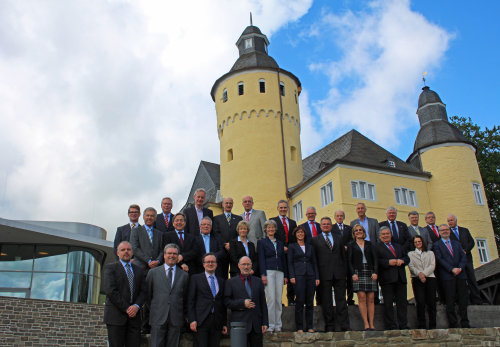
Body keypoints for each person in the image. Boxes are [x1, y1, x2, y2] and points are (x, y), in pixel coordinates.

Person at [103, 241, 146, 347]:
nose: (126, 252)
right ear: (118, 253)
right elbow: (111, 291)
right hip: (116, 317)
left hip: (134, 318)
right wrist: (127, 308)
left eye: (128, 249)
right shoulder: (111, 268)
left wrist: (136, 306)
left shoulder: (139, 270)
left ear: (132, 252)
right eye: (123, 250)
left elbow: (144, 291)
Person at [311, 217, 350, 332]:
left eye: (328, 224)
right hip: (324, 274)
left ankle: (344, 324)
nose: (326, 226)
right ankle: (330, 324)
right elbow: (315, 260)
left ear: (331, 226)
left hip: (339, 273)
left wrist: (345, 272)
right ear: (320, 226)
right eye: (324, 224)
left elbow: (344, 257)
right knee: (326, 301)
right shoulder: (315, 240)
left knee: (341, 299)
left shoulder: (339, 238)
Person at [147, 244, 189, 347]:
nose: (172, 256)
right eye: (169, 253)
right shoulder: (153, 273)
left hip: (176, 318)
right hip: (158, 317)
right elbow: (148, 296)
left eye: (175, 254)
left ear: (178, 256)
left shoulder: (184, 275)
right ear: (164, 255)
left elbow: (185, 297)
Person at [224, 256, 268, 347]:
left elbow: (263, 303)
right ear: (239, 266)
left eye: (248, 264)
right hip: (239, 325)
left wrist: (265, 322)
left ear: (251, 265)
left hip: (256, 325)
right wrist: (242, 303)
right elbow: (227, 302)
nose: (246, 267)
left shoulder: (258, 281)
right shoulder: (231, 282)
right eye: (244, 264)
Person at [433, 224, 470, 328]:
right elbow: (439, 259)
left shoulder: (457, 243)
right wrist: (451, 269)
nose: (445, 231)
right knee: (450, 300)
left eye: (446, 229)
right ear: (439, 232)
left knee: (463, 299)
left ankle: (465, 322)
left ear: (449, 231)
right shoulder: (437, 245)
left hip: (461, 275)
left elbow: (463, 257)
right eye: (442, 230)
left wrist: (460, 268)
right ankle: (453, 323)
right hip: (447, 276)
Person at [188, 253, 227, 347]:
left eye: (213, 262)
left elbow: (223, 304)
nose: (210, 264)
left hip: (217, 322)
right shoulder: (195, 279)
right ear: (203, 264)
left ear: (216, 264)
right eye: (208, 262)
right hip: (201, 321)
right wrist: (192, 319)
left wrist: (224, 323)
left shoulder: (222, 281)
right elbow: (190, 301)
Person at [375, 226, 409, 330]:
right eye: (383, 234)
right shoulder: (377, 247)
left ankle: (403, 325)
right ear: (380, 236)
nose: (386, 236)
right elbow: (377, 261)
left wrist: (402, 261)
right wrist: (388, 262)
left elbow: (407, 258)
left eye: (387, 234)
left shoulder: (398, 246)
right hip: (387, 280)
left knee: (402, 304)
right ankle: (391, 326)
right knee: (388, 304)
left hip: (400, 278)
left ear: (391, 235)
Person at [257, 220, 288, 333]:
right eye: (268, 228)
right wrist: (263, 274)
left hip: (279, 271)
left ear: (275, 229)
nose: (270, 229)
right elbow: (261, 259)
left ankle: (278, 325)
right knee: (271, 299)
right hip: (268, 272)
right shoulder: (262, 242)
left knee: (278, 299)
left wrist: (285, 275)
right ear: (265, 229)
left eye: (272, 227)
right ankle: (270, 324)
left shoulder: (279, 243)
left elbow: (283, 259)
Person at [287, 226, 319, 333]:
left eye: (302, 232)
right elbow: (290, 262)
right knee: (300, 301)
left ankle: (310, 326)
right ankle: (299, 326)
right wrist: (292, 276)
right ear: (295, 234)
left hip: (310, 275)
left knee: (310, 301)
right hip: (298, 275)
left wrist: (317, 277)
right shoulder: (292, 247)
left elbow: (315, 262)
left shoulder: (310, 247)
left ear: (304, 234)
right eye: (298, 232)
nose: (300, 234)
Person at [347, 224, 378, 331]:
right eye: (356, 230)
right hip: (358, 272)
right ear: (353, 233)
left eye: (360, 230)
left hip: (370, 271)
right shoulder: (351, 245)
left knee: (371, 299)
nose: (358, 232)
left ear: (363, 232)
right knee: (361, 297)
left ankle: (372, 323)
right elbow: (349, 261)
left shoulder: (370, 244)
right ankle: (366, 323)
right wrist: (353, 274)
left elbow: (375, 260)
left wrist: (375, 272)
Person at [447, 214, 483, 304]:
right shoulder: (447, 233)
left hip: (467, 259)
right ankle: (465, 301)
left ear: (456, 220)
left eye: (451, 220)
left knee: (472, 279)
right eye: (448, 221)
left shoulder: (464, 230)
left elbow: (471, 242)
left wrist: (466, 250)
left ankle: (477, 300)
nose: (450, 222)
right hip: (457, 261)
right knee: (461, 282)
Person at [270, 199, 297, 305]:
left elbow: (294, 238)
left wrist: (291, 248)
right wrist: (281, 247)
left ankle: (291, 300)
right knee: (279, 277)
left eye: (285, 207)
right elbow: (271, 237)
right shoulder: (272, 221)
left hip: (290, 253)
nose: (283, 209)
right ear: (277, 209)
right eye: (281, 207)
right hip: (278, 253)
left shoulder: (292, 222)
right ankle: (278, 301)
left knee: (291, 276)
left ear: (287, 208)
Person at [408, 235, 437, 329]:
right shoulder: (410, 254)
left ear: (422, 242)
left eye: (419, 241)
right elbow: (411, 267)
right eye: (415, 242)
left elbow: (432, 265)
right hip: (417, 279)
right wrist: (419, 274)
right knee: (420, 302)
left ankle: (433, 324)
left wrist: (424, 274)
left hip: (430, 278)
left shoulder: (430, 253)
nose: (417, 243)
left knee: (431, 302)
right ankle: (422, 324)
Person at [212, 197, 243, 279]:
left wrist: (231, 244)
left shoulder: (239, 219)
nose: (228, 205)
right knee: (222, 275)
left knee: (236, 275)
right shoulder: (216, 219)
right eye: (226, 203)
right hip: (221, 250)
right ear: (222, 204)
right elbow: (216, 233)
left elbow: (240, 233)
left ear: (232, 205)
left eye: (230, 203)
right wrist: (224, 244)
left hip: (235, 251)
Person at [129, 207, 163, 272]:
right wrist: (148, 260)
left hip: (155, 269)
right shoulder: (136, 231)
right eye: (147, 215)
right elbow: (134, 248)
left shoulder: (159, 234)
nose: (149, 218)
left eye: (152, 216)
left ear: (155, 218)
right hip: (139, 267)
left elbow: (162, 250)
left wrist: (158, 261)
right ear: (143, 217)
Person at [333, 209, 354, 305]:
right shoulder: (332, 228)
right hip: (337, 256)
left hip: (348, 255)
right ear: (335, 217)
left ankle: (350, 299)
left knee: (350, 278)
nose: (339, 217)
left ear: (344, 217)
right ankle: (340, 300)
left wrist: (347, 246)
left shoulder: (349, 228)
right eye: (338, 216)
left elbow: (352, 240)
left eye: (341, 216)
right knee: (340, 280)